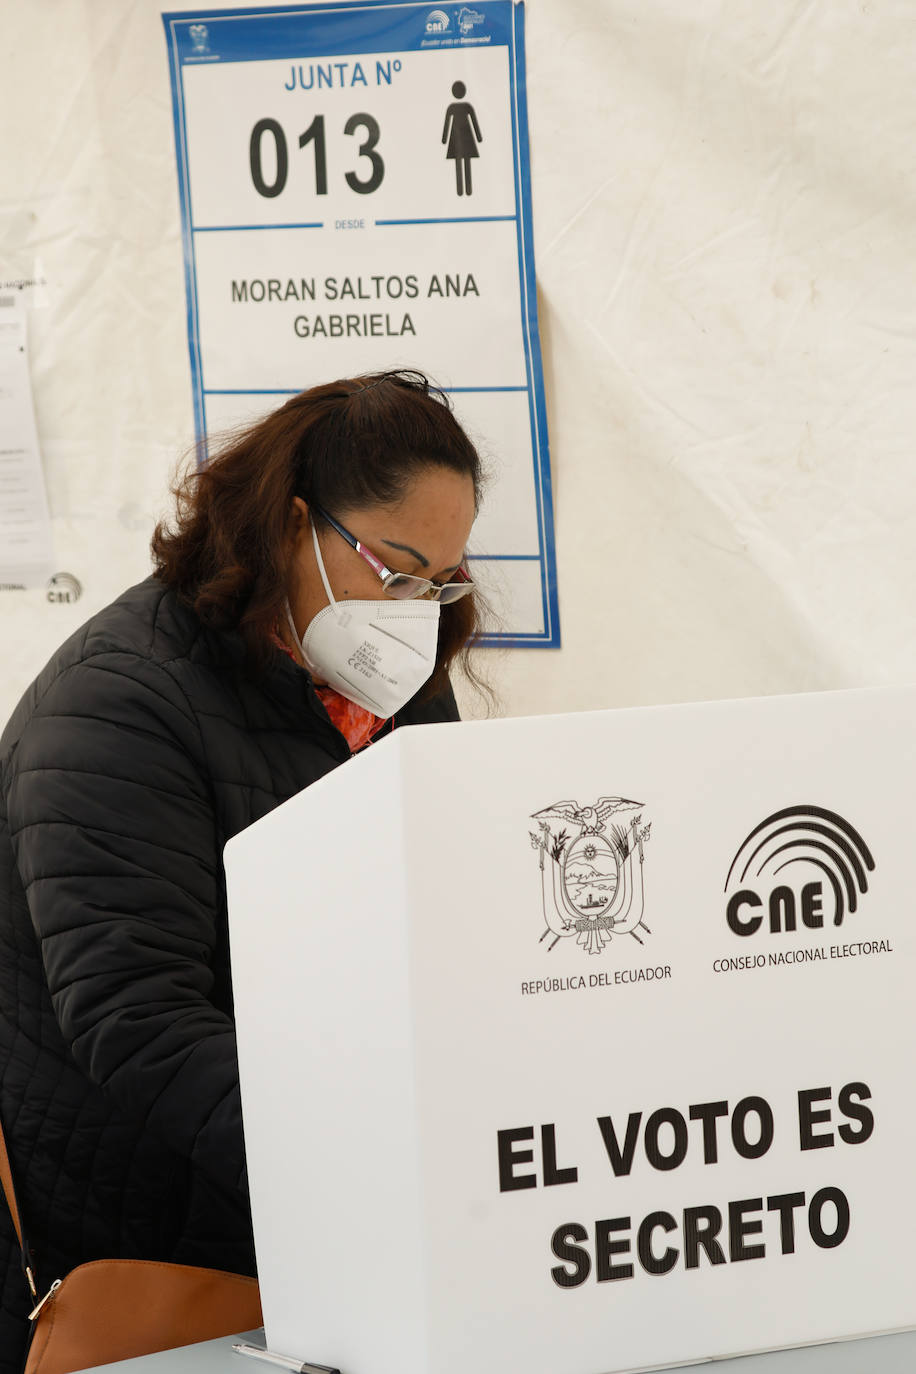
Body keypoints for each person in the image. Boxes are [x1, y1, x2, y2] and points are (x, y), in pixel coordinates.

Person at [0, 371, 482, 1369]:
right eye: (395, 572)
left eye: (441, 581)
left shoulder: (390, 693)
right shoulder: (117, 707)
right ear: (289, 523)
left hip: (330, 1219)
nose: (416, 613)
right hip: (157, 1231)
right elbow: (137, 1023)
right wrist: (367, 1164)